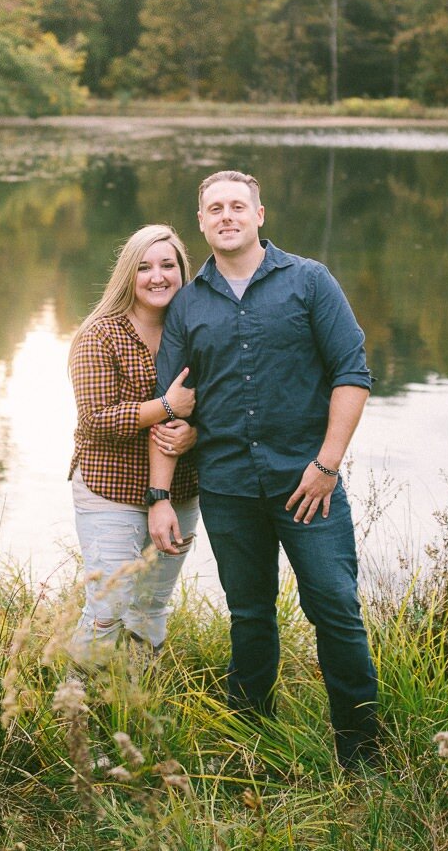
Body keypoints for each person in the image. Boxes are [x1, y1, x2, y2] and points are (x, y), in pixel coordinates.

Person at [150, 170, 380, 767]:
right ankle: (249, 742)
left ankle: (361, 751)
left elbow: (352, 374)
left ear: (259, 215)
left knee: (334, 607)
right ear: (200, 222)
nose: (226, 216)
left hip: (309, 485)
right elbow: (177, 401)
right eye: (214, 208)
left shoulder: (309, 282)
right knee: (250, 616)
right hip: (227, 487)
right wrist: (167, 475)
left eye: (237, 206)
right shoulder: (187, 304)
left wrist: (326, 465)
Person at [66, 223, 201, 662]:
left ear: (183, 271)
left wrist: (195, 431)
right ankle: (78, 706)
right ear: (129, 274)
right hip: (111, 489)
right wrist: (165, 406)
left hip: (180, 491)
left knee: (150, 609)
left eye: (167, 265)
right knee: (107, 609)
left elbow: (224, 405)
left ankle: (140, 702)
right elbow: (96, 419)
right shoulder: (100, 334)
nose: (157, 276)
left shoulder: (198, 332)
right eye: (144, 267)